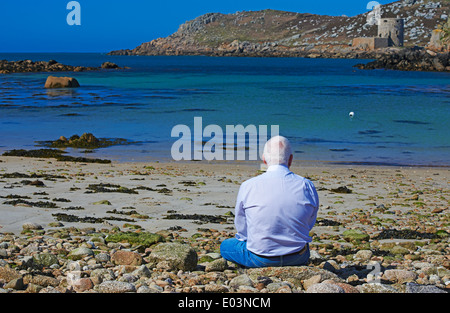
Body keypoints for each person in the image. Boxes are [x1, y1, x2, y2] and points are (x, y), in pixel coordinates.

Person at [220, 135, 319, 268]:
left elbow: (242, 227)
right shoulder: (307, 185)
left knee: (225, 246)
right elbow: (309, 221)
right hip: (298, 256)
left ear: (264, 160)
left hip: (260, 258)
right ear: (290, 159)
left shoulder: (248, 185)